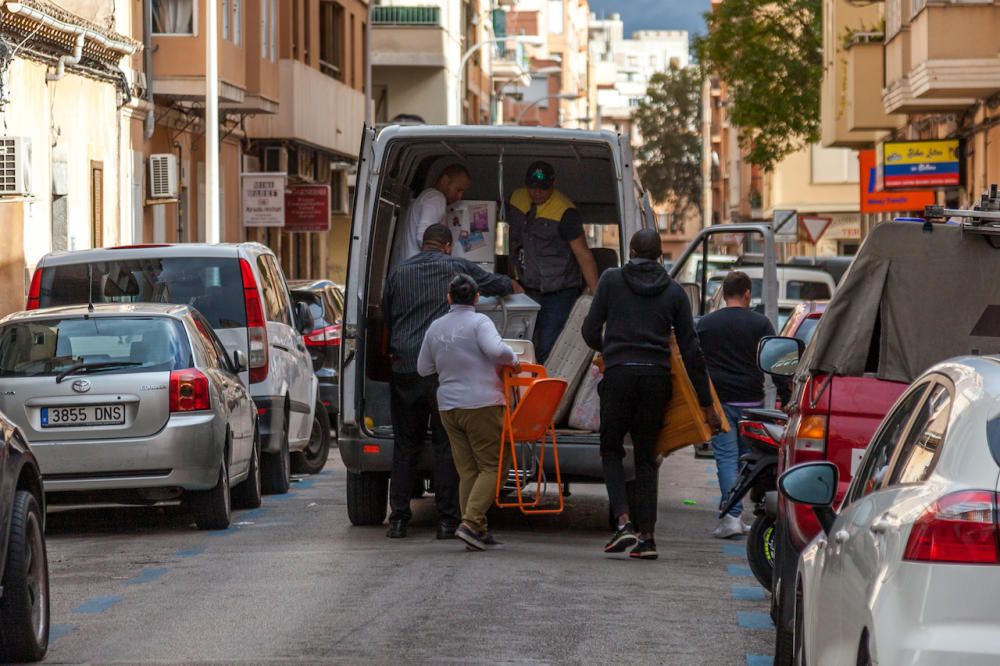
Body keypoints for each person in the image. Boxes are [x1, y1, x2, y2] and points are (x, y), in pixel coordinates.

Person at [582, 229, 719, 560]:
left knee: (611, 449)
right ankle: (648, 537)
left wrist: (612, 349)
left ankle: (623, 522)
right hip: (657, 379)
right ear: (660, 257)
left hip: (619, 376)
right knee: (647, 456)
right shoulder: (674, 293)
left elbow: (589, 331)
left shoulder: (611, 280)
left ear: (630, 252)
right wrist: (706, 405)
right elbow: (691, 350)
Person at [381, 223, 519, 540]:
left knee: (405, 446)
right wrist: (514, 284)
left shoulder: (399, 272)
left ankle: (399, 519)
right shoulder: (455, 266)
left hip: (405, 368)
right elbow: (492, 284)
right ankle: (447, 520)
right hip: (441, 373)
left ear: (424, 243)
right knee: (446, 447)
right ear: (447, 246)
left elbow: (387, 315)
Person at [417, 274, 519, 551]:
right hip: (482, 403)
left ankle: (478, 532)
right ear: (476, 298)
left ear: (448, 297)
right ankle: (471, 522)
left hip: (449, 407)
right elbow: (497, 351)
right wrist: (514, 358)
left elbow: (423, 368)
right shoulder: (479, 322)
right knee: (494, 467)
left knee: (468, 470)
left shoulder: (435, 327)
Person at [696, 271, 778, 539]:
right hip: (751, 401)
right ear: (746, 293)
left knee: (726, 458)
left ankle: (732, 517)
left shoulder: (707, 323)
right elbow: (777, 360)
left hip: (719, 402)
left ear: (724, 293)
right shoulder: (760, 323)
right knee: (746, 460)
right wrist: (786, 395)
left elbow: (692, 357)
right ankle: (735, 516)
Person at [508, 161, 599, 362]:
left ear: (553, 184)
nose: (537, 193)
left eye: (543, 188)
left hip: (559, 292)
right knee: (521, 344)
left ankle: (545, 389)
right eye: (533, 188)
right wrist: (509, 276)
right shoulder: (516, 199)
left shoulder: (565, 211)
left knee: (549, 346)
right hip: (526, 288)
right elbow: (513, 240)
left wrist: (598, 298)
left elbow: (583, 255)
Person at [394, 164, 472, 263]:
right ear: (445, 181)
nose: (460, 196)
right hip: (422, 271)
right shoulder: (436, 198)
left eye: (462, 192)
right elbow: (423, 237)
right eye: (458, 190)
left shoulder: (426, 196)